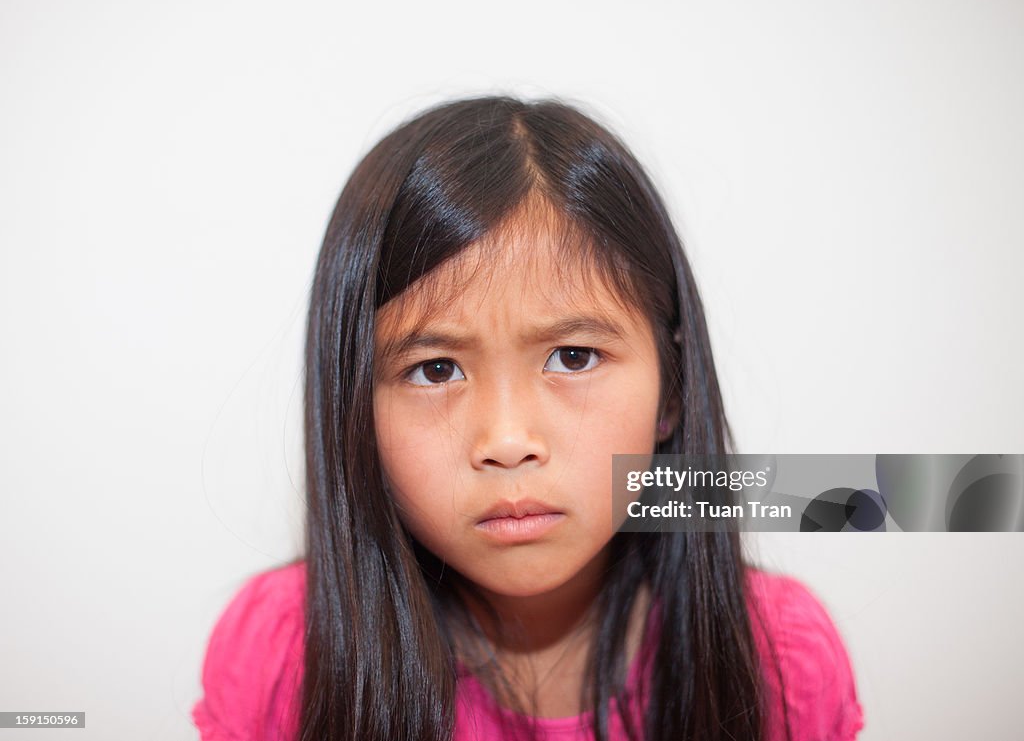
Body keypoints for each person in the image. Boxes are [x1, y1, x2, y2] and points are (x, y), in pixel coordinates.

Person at [192, 96, 864, 741]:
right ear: (355, 410)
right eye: (435, 369)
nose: (508, 441)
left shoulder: (780, 656)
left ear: (672, 391)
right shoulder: (282, 654)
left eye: (574, 356)